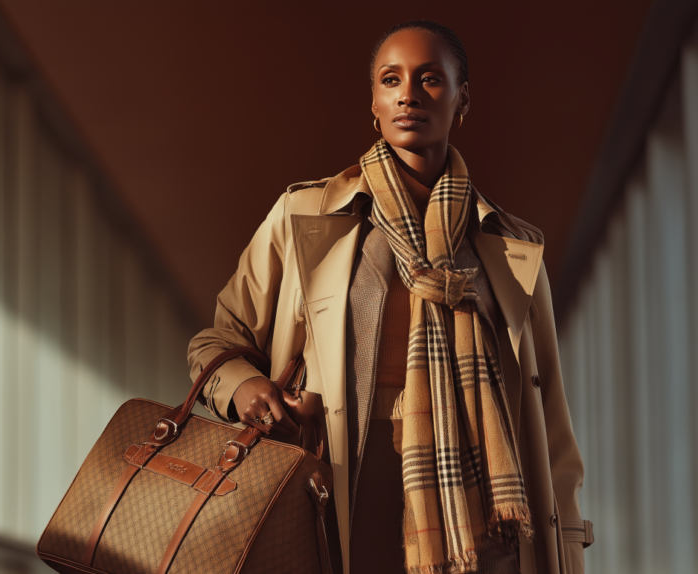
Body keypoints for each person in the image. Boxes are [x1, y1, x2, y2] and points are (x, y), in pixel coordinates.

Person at [187, 20, 592, 574]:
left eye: (429, 79)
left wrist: (565, 548)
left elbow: (550, 426)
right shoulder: (305, 215)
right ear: (373, 102)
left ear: (461, 98)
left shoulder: (513, 248)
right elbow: (218, 340)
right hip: (330, 485)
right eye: (390, 79)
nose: (408, 94)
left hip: (477, 507)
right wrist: (247, 389)